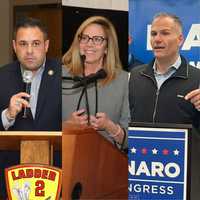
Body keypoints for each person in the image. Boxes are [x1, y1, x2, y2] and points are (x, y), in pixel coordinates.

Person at [0, 17, 61, 198]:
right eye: (23, 44)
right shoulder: (2, 77)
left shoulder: (65, 74)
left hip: (56, 173)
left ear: (46, 45)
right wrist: (7, 115)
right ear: (14, 46)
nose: (29, 51)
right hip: (9, 178)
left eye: (35, 43)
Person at [62, 16, 129, 150]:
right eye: (85, 38)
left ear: (107, 48)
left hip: (107, 163)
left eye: (97, 39)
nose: (89, 44)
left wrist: (110, 127)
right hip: (64, 159)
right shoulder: (60, 75)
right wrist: (67, 126)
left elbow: (132, 141)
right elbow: (42, 129)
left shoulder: (124, 80)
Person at [129, 12, 200, 128]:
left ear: (180, 40)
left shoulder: (197, 78)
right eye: (153, 34)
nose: (157, 39)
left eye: (165, 33)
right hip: (142, 146)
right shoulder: (135, 75)